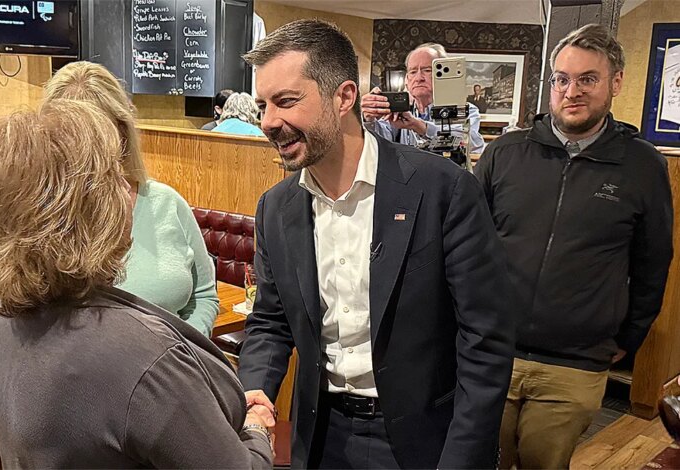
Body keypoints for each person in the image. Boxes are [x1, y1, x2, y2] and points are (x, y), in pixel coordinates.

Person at [237, 19, 516, 469]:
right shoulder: (276, 207)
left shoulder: (443, 190)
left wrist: (462, 458)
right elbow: (271, 320)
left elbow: (486, 341)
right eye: (263, 105)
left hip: (424, 441)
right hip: (319, 434)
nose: (270, 122)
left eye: (287, 102)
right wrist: (254, 389)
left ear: (344, 97)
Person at [0, 99, 274, 468]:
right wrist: (255, 428)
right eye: (114, 175)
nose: (129, 191)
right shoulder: (144, 356)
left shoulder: (6, 318)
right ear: (90, 207)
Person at [474, 24, 674, 469]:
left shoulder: (643, 166)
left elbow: (653, 263)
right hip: (491, 354)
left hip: (574, 365)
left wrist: (625, 337)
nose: (572, 91)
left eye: (588, 79)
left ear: (615, 83)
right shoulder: (504, 153)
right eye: (562, 79)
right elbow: (465, 247)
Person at [0, 61, 220, 337]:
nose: (91, 150)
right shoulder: (32, 212)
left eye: (102, 133)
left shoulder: (166, 202)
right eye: (75, 136)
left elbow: (204, 295)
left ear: (123, 133)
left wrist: (188, 350)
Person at [361, 43, 485, 154]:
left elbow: (472, 143)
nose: (419, 78)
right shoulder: (399, 108)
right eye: (413, 71)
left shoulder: (464, 109)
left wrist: (420, 127)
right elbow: (381, 142)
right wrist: (370, 120)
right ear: (407, 80)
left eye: (427, 70)